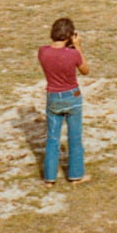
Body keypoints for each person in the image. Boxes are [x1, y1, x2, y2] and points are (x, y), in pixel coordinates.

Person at [38, 17, 89, 185]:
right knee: (74, 137)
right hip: (72, 95)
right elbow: (85, 70)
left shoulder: (43, 52)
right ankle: (75, 175)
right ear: (69, 35)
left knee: (52, 138)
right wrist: (78, 46)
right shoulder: (73, 54)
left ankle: (50, 178)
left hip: (53, 96)